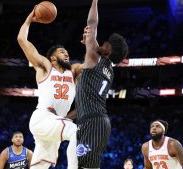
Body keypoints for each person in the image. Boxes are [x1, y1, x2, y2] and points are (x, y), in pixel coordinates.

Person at [17, 7, 83, 169]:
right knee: (76, 132)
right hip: (42, 118)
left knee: (40, 166)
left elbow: (91, 64)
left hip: (54, 124)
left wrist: (91, 42)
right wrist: (28, 20)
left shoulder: (73, 72)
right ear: (53, 58)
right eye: (62, 52)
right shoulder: (46, 66)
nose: (66, 53)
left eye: (67, 52)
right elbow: (22, 40)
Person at [74, 0, 129, 168]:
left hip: (93, 122)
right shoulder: (109, 71)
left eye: (105, 43)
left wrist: (94, 2)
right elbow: (84, 93)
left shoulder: (94, 57)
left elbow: (92, 23)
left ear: (108, 50)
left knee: (86, 165)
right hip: (95, 121)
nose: (102, 43)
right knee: (86, 165)